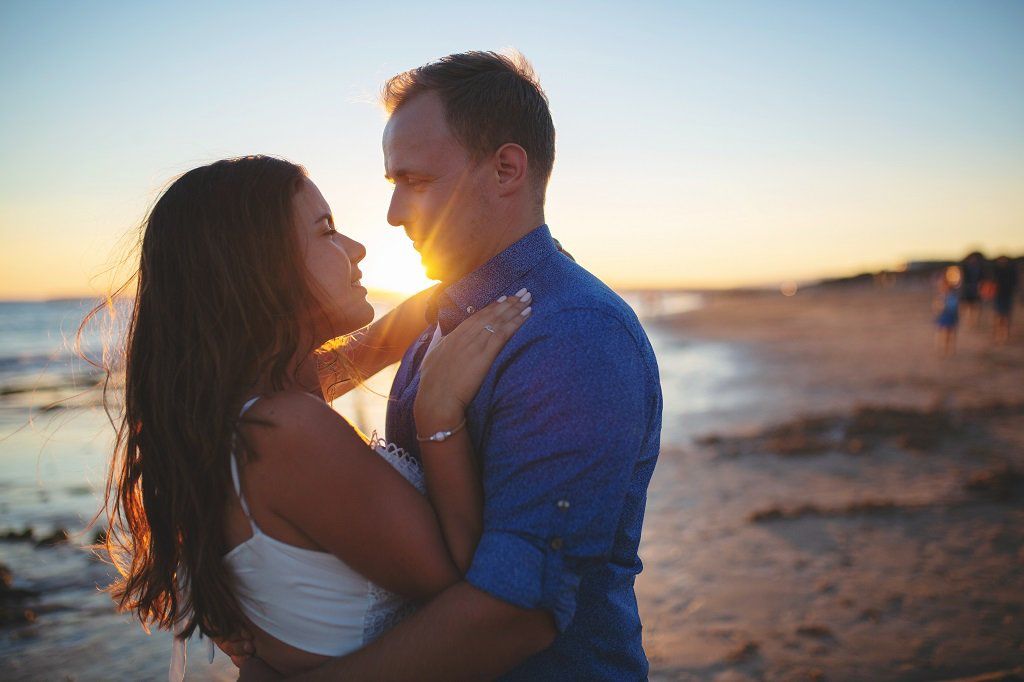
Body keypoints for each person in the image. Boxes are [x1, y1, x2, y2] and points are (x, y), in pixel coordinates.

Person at [226, 50, 664, 681]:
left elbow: (519, 611)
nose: (393, 213)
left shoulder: (572, 339)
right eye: (392, 184)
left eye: (418, 182)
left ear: (507, 169)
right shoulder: (442, 310)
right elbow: (294, 383)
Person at [87, 155, 534, 679]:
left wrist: (467, 280)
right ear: (261, 266)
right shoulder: (284, 430)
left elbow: (369, 348)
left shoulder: (229, 406)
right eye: (327, 232)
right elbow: (463, 579)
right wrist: (438, 416)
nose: (358, 248)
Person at [992, 255, 1019, 343]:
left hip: (1006, 296)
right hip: (999, 296)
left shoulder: (1011, 271)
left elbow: (1015, 283)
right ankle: (998, 334)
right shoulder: (996, 271)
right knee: (998, 316)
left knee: (1006, 316)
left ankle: (1005, 335)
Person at [934, 268, 960, 357]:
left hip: (951, 316)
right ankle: (944, 349)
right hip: (943, 316)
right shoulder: (940, 296)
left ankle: (949, 349)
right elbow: (936, 307)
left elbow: (955, 306)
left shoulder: (953, 296)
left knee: (951, 333)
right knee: (943, 333)